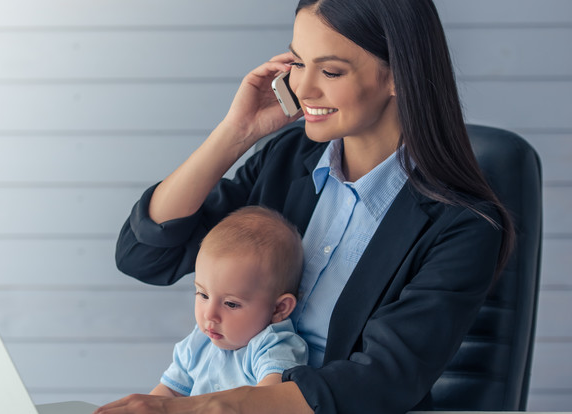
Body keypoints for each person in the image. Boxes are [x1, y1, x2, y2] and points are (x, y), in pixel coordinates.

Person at [98, 0, 515, 413]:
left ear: (400, 77)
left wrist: (195, 408)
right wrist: (236, 134)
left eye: (331, 71)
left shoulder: (463, 225)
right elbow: (146, 256)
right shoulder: (289, 159)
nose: (303, 88)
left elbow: (384, 381)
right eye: (298, 63)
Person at [150, 206, 308, 397]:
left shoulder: (274, 346)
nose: (210, 314)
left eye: (231, 304)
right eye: (203, 295)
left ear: (279, 309)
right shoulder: (199, 343)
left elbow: (267, 401)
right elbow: (168, 393)